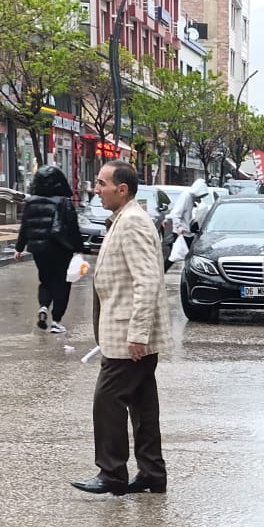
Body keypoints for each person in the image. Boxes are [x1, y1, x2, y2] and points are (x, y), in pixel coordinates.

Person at [72, 162, 169, 497]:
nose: (96, 189)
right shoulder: (123, 219)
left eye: (102, 183)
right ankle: (152, 472)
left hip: (129, 336)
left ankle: (112, 473)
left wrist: (137, 334)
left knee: (108, 399)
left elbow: (147, 281)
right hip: (125, 332)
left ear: (122, 189)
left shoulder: (132, 223)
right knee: (142, 404)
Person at [13, 165, 86, 334]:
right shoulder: (64, 202)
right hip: (61, 249)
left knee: (45, 281)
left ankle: (44, 306)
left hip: (39, 249)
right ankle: (56, 321)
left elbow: (25, 226)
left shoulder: (31, 202)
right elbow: (73, 228)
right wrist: (79, 249)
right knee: (62, 283)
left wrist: (18, 248)